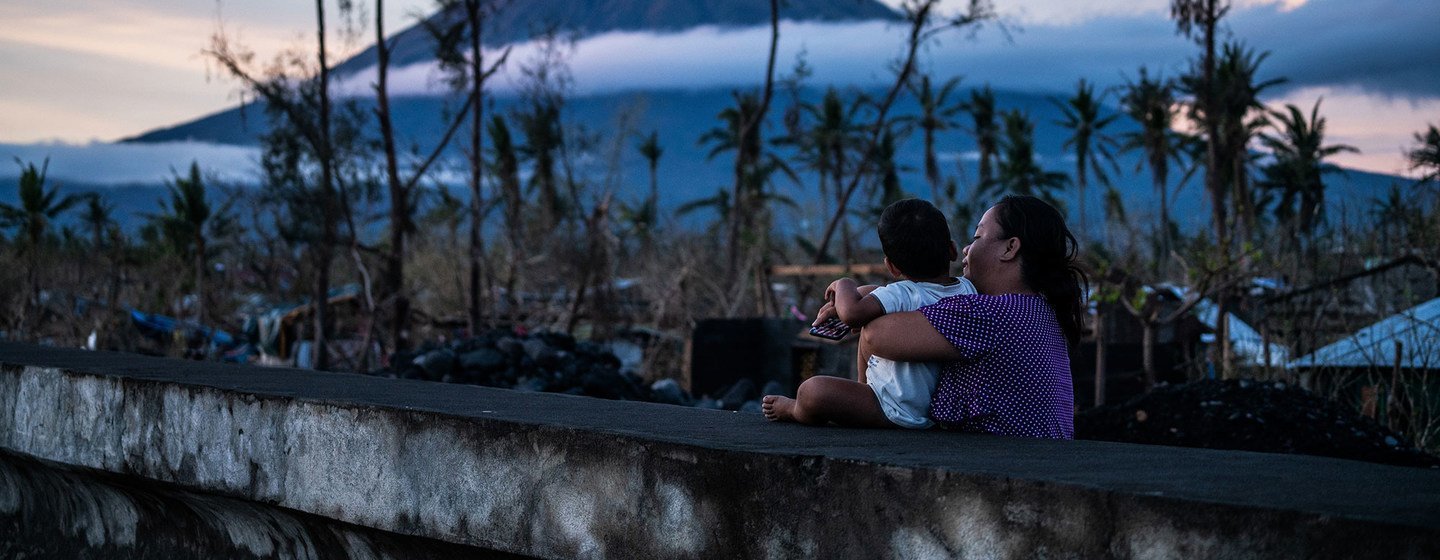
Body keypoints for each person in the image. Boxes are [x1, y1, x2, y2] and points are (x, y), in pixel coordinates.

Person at [857, 195, 1087, 439]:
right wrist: (871, 296)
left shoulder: (988, 313)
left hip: (1002, 466)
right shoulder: (1039, 309)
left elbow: (875, 336)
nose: (967, 248)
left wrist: (863, 303)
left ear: (1010, 248)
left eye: (977, 237)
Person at [762, 199, 975, 428]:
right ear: (952, 250)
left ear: (891, 267)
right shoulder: (969, 290)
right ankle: (860, 388)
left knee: (812, 390)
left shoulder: (900, 293)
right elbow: (881, 295)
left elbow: (852, 314)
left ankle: (794, 410)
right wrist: (858, 294)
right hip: (938, 410)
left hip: (888, 408)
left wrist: (844, 284)